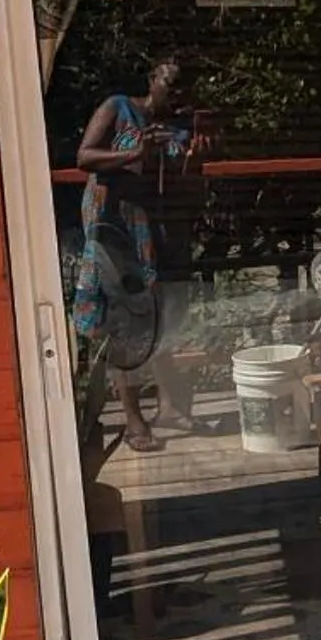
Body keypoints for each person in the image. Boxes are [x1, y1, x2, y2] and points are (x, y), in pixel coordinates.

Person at [73, 54, 190, 449]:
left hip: (143, 220)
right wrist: (134, 154)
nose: (175, 94)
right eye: (170, 83)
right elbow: (85, 156)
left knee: (150, 311)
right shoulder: (118, 107)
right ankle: (133, 418)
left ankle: (170, 404)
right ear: (153, 79)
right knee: (122, 315)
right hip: (110, 218)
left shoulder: (172, 128)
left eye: (182, 88)